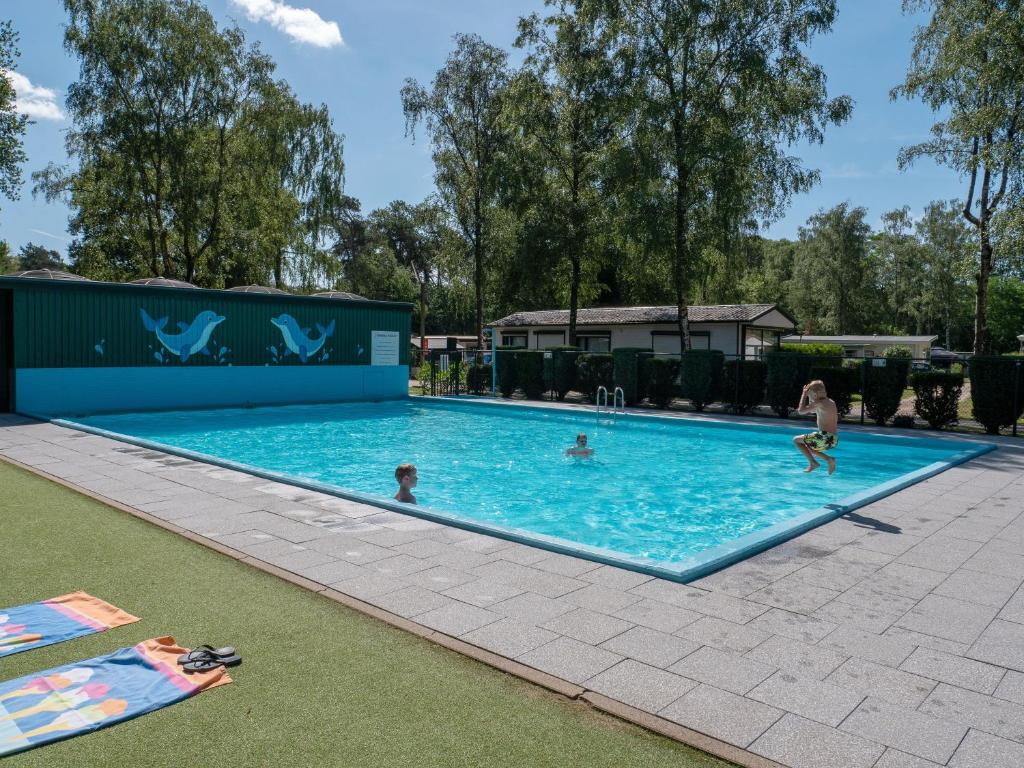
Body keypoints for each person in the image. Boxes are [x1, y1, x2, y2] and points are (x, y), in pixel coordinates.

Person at [793, 380, 839, 475]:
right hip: (833, 439)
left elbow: (801, 411)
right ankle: (828, 460)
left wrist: (804, 395)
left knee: (796, 440)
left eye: (811, 395)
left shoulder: (819, 403)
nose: (811, 398)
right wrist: (811, 397)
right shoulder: (831, 402)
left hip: (824, 437)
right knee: (808, 445)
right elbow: (813, 410)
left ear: (816, 394)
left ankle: (814, 462)